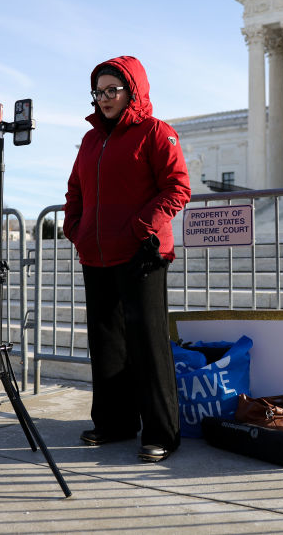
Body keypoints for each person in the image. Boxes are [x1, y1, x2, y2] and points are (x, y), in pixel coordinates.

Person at [63, 56, 191, 462]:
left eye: (111, 90)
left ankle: (162, 432)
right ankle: (114, 424)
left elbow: (178, 187)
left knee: (147, 344)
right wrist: (75, 228)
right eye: (98, 92)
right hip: (96, 254)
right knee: (107, 343)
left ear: (132, 89)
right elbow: (75, 191)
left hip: (142, 254)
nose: (103, 98)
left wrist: (142, 228)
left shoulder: (155, 132)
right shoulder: (90, 141)